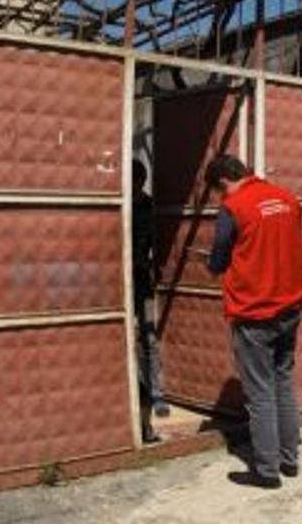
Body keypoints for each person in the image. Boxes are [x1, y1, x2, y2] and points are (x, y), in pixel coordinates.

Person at [204, 155, 302, 489]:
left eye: (218, 191)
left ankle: (266, 471)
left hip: (255, 310)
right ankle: (289, 460)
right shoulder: (287, 198)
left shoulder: (234, 207)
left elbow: (219, 258)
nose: (220, 197)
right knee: (283, 382)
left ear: (223, 182)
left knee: (260, 393)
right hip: (291, 305)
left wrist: (214, 264)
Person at [132, 160, 168, 444]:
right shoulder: (119, 205)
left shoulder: (149, 207)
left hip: (142, 281)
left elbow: (159, 245)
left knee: (148, 340)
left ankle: (156, 396)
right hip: (120, 281)